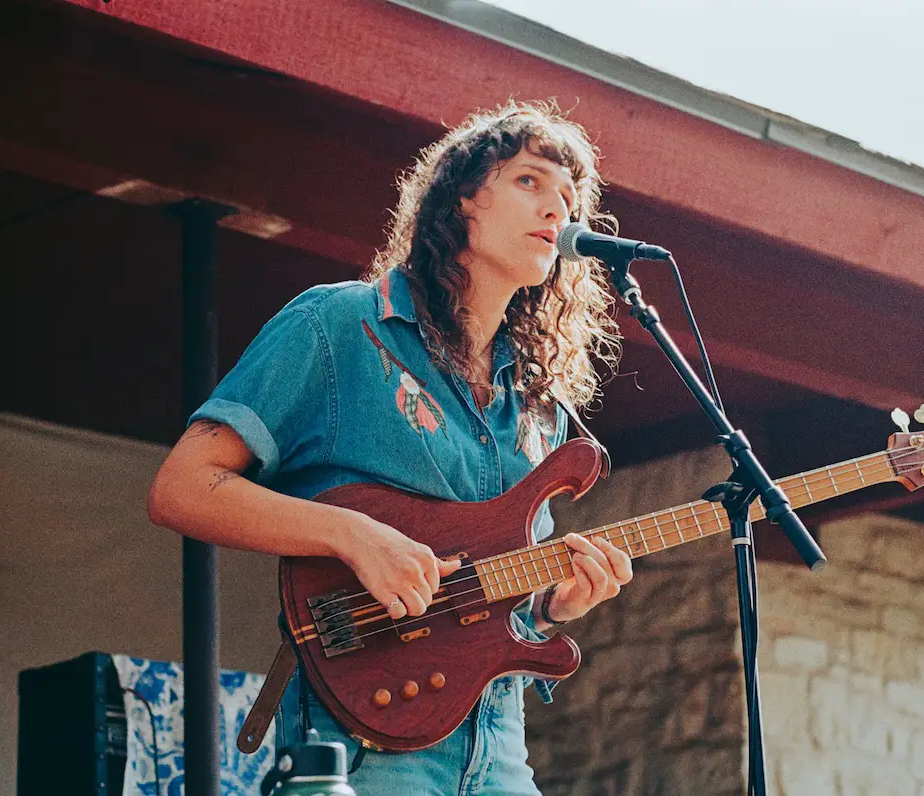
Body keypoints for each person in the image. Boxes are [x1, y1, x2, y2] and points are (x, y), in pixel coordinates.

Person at [147, 101, 633, 794]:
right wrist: (352, 535)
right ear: (463, 198)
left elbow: (488, 595)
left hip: (498, 751)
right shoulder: (339, 325)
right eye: (530, 181)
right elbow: (182, 487)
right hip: (362, 748)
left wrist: (555, 602)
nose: (558, 211)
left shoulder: (538, 403)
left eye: (569, 197)